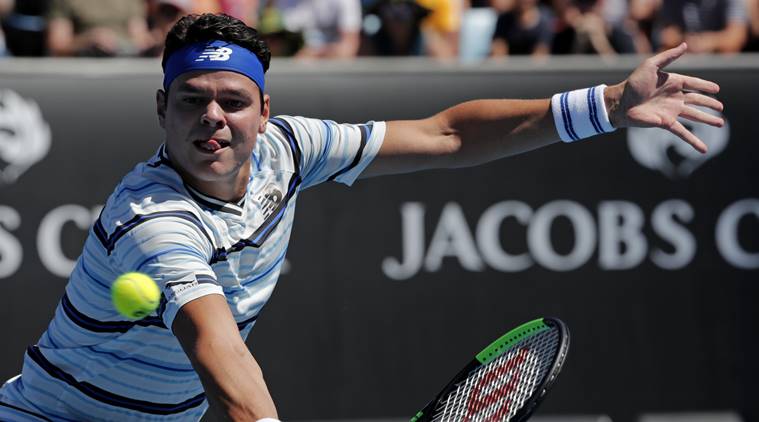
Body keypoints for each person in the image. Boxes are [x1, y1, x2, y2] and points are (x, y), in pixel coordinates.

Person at [0, 12, 723, 422]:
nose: (212, 117)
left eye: (232, 99)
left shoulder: (291, 148)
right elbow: (223, 359)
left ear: (265, 111)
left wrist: (602, 106)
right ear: (162, 107)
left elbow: (445, 134)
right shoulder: (153, 223)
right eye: (191, 99)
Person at [46, 0, 153, 57]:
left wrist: (119, 45)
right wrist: (88, 40)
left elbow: (140, 40)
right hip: (81, 69)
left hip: (124, 65)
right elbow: (57, 45)